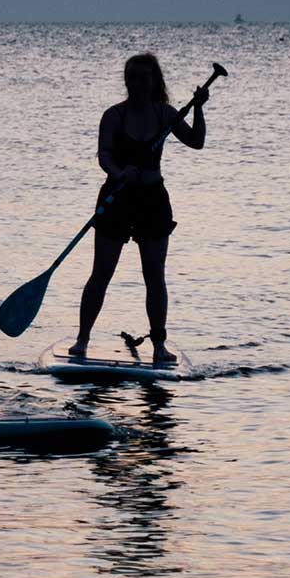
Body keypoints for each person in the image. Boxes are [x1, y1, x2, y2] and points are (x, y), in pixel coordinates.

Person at [69, 54, 209, 366]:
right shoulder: (113, 116)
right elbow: (104, 155)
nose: (136, 85)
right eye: (131, 78)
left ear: (154, 82)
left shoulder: (166, 114)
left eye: (143, 79)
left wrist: (199, 107)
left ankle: (159, 344)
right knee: (101, 273)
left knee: (154, 275)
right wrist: (119, 173)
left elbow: (196, 142)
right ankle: (82, 339)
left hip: (153, 200)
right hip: (116, 198)